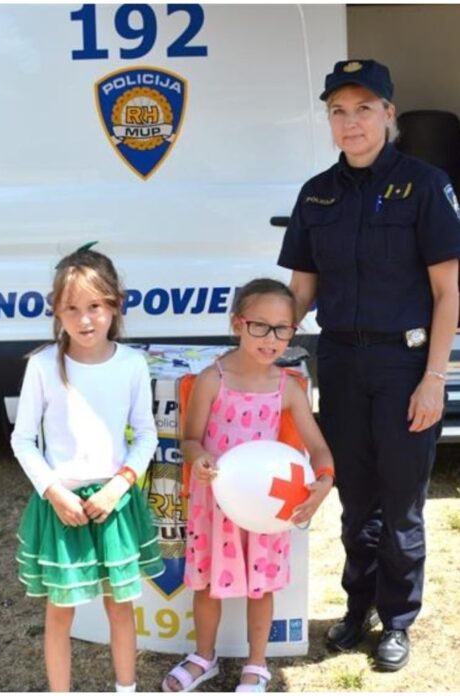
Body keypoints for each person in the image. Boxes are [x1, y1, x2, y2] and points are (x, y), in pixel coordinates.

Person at [278, 59, 460, 671]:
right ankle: (359, 608)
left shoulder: (426, 186)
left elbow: (448, 293)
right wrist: (265, 338)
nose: (350, 122)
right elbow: (301, 291)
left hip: (405, 364)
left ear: (388, 113)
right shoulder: (316, 193)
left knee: (402, 501)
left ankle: (399, 618)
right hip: (341, 362)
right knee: (355, 499)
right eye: (338, 111)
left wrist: (434, 378)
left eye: (363, 109)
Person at [161, 279, 335, 692]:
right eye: (260, 326)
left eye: (282, 328)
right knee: (207, 584)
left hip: (264, 510)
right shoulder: (212, 379)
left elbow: (319, 450)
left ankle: (257, 663)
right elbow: (190, 440)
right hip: (215, 505)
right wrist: (198, 458)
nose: (271, 338)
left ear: (293, 331)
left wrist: (325, 481)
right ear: (238, 323)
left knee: (261, 587)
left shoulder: (288, 388)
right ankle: (204, 656)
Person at [11, 248, 164, 692]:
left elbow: (146, 435)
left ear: (115, 304)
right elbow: (23, 439)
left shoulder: (131, 364)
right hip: (63, 509)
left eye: (95, 306)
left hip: (114, 506)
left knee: (121, 608)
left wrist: (118, 487)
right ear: (56, 311)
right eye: (72, 308)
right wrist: (54, 492)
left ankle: (126, 688)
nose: (84, 320)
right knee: (60, 612)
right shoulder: (42, 366)